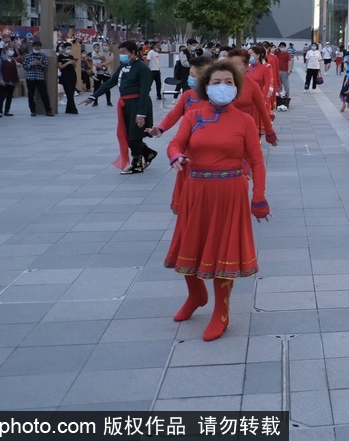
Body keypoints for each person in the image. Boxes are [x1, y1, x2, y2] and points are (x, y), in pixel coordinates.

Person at [165, 60, 270, 341]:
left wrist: (258, 197)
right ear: (205, 87)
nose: (222, 87)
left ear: (236, 87)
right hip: (196, 190)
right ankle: (196, 295)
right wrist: (176, 156)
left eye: (229, 82)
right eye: (216, 82)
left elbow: (257, 163)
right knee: (190, 244)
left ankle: (220, 312)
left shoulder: (244, 121)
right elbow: (175, 144)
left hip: (230, 194)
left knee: (224, 253)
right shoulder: (193, 115)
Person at [146, 56, 214, 213]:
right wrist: (160, 129)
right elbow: (173, 115)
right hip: (189, 148)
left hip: (210, 149)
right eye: (190, 74)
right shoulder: (187, 96)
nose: (191, 78)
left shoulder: (216, 98)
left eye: (194, 75)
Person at [84, 41, 156, 175]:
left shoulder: (142, 68)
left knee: (134, 135)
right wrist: (94, 96)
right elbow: (111, 82)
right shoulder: (123, 66)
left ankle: (137, 164)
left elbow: (145, 90)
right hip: (126, 104)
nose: (122, 55)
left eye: (124, 53)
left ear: (133, 53)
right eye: (121, 53)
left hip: (138, 102)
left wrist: (141, 113)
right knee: (126, 134)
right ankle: (148, 152)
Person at [23, 40, 54, 117]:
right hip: (30, 77)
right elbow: (25, 67)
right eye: (36, 46)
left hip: (40, 77)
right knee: (31, 95)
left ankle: (48, 110)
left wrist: (40, 64)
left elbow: (46, 66)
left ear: (40, 47)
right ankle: (32, 111)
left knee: (44, 94)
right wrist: (31, 64)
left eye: (38, 46)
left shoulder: (43, 56)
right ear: (33, 46)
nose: (37, 48)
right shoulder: (28, 56)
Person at [0, 46, 20, 117]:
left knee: (9, 97)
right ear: (6, 51)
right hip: (4, 81)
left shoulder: (13, 60)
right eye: (10, 49)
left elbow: (15, 70)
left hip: (12, 81)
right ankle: (0, 111)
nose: (11, 51)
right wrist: (0, 79)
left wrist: (16, 80)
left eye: (12, 50)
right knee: (2, 96)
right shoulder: (1, 59)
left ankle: (7, 111)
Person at [57, 43, 79, 115]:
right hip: (65, 75)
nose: (69, 50)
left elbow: (74, 67)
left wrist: (74, 62)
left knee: (71, 92)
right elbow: (60, 67)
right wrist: (68, 63)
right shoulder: (60, 56)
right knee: (68, 92)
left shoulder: (71, 56)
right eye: (68, 48)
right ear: (64, 48)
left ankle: (69, 109)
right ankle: (73, 108)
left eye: (70, 48)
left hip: (72, 75)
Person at [91, 43, 114, 107]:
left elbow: (109, 61)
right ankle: (95, 101)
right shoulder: (98, 53)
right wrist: (97, 66)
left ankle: (108, 101)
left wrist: (101, 65)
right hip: (98, 72)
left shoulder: (110, 54)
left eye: (107, 45)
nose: (105, 46)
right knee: (96, 87)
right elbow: (94, 61)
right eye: (104, 45)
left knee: (107, 87)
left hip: (106, 72)